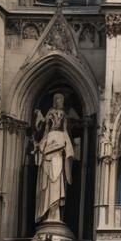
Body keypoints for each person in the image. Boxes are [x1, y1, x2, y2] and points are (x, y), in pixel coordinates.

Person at [33, 93, 76, 224]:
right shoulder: (50, 121)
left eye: (61, 99)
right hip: (48, 161)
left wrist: (67, 150)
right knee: (46, 185)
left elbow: (66, 136)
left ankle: (55, 213)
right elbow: (43, 128)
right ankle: (47, 214)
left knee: (57, 183)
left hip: (58, 161)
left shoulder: (63, 133)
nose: (60, 102)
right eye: (57, 99)